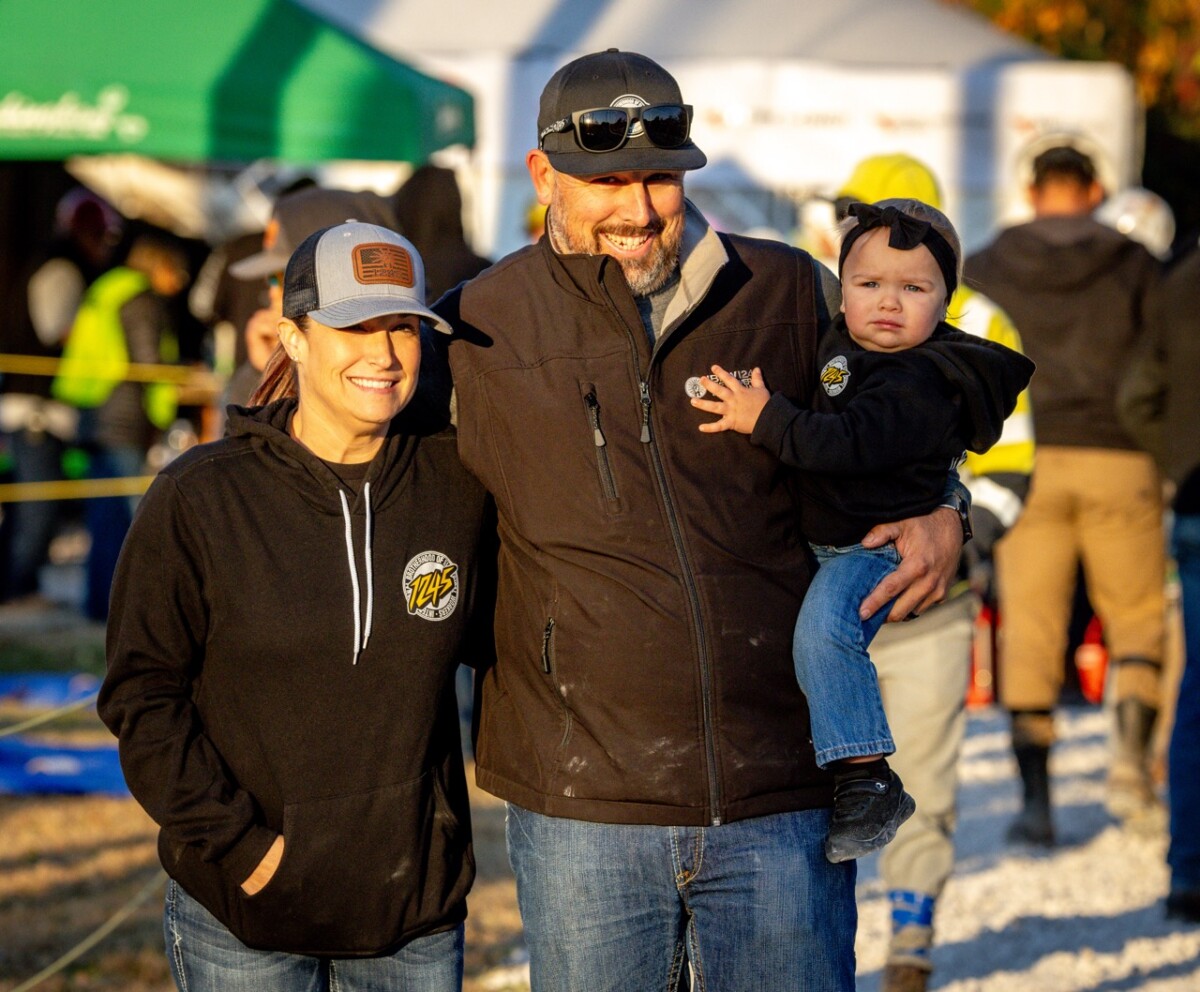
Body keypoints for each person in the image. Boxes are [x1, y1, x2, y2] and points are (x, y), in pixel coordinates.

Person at [438, 49, 967, 991]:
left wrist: (947, 510)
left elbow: (919, 402)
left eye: (658, 179)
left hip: (778, 790)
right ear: (543, 175)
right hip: (582, 803)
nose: (636, 211)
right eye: (606, 182)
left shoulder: (792, 293)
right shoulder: (480, 326)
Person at [98, 221, 494, 990]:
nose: (383, 353)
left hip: (408, 916)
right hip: (245, 921)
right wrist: (240, 850)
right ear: (296, 337)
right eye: (354, 326)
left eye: (404, 327)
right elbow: (142, 697)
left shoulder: (458, 486)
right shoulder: (200, 497)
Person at [689, 197, 1032, 866]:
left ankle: (867, 777)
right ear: (840, 287)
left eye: (913, 289)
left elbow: (847, 443)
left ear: (946, 300)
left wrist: (765, 418)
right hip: (823, 541)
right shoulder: (841, 343)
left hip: (873, 548)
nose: (888, 303)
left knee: (826, 633)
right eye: (869, 284)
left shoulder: (921, 380)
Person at [835, 154, 1036, 992]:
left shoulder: (983, 319)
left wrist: (958, 534)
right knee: (823, 782)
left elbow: (1015, 460)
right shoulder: (816, 312)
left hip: (932, 604)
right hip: (829, 601)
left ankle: (911, 931)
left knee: (923, 769)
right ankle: (824, 940)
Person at [966, 144, 1167, 845]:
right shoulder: (1137, 263)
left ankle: (1035, 805)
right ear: (1098, 189)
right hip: (1123, 458)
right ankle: (1131, 773)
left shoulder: (989, 263)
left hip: (1029, 459)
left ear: (1030, 188)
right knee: (1138, 617)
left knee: (1031, 628)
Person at [1117, 240, 1200, 923]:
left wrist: (1183, 461)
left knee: (1197, 690)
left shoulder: (1182, 278)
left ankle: (1188, 872)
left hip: (1197, 501)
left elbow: (1139, 395)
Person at [50, 228, 190, 621]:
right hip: (122, 420)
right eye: (176, 271)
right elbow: (147, 360)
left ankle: (99, 606)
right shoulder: (140, 297)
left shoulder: (110, 286)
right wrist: (185, 375)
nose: (179, 282)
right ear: (159, 265)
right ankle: (120, 610)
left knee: (104, 518)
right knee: (127, 522)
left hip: (94, 412)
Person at [0, 188, 119, 604]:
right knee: (38, 506)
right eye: (101, 238)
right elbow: (61, 331)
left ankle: (19, 586)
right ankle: (15, 591)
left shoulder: (56, 263)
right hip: (37, 410)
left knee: (29, 505)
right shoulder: (62, 268)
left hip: (35, 407)